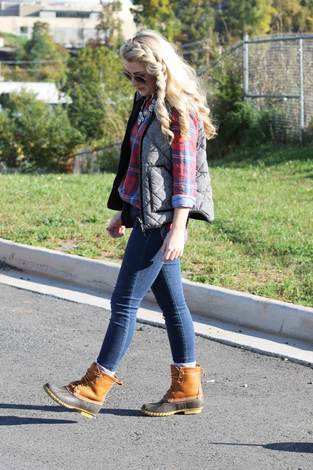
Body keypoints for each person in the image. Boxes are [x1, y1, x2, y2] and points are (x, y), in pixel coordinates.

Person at [43, 29, 216, 418]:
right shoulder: (145, 104)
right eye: (129, 76)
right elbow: (140, 166)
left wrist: (177, 229)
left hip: (161, 223)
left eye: (141, 76)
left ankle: (93, 387)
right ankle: (187, 388)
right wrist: (125, 210)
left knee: (124, 302)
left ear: (162, 72)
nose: (134, 83)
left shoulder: (178, 110)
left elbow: (185, 178)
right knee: (173, 305)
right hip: (145, 215)